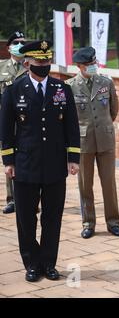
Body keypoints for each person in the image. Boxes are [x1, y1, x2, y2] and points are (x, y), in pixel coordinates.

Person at [0, 40, 80, 282]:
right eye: (39, 61)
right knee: (26, 217)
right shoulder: (13, 90)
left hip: (55, 164)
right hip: (25, 163)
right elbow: (6, 130)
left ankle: (49, 262)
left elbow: (71, 125)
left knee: (52, 217)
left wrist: (73, 157)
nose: (44, 65)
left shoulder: (61, 89)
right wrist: (8, 161)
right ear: (27, 63)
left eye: (47, 61)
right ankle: (32, 263)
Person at [66, 47, 119, 239]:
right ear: (79, 66)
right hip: (83, 141)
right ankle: (88, 222)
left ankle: (113, 222)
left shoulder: (106, 82)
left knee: (109, 183)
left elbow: (114, 109)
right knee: (85, 185)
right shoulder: (70, 86)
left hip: (105, 139)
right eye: (88, 65)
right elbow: (68, 119)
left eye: (93, 63)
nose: (92, 67)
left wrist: (103, 126)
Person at [0, 31, 28, 214]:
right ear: (9, 47)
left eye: (23, 42)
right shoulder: (1, 67)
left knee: (28, 158)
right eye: (16, 42)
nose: (20, 45)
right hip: (7, 122)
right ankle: (11, 199)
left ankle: (29, 197)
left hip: (27, 122)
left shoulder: (31, 66)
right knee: (9, 159)